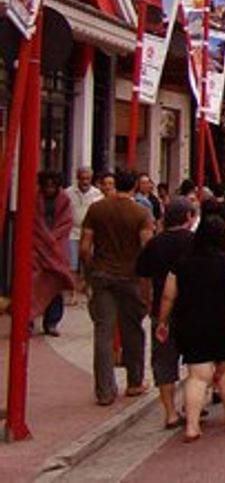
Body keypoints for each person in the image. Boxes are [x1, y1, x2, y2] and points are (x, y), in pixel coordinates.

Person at [156, 214, 225, 441]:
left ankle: (192, 426)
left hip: (191, 323)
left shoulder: (182, 263)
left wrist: (162, 321)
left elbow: (167, 296)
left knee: (197, 375)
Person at [80, 169, 154, 405]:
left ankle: (104, 390)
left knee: (103, 331)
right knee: (132, 329)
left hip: (102, 274)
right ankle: (134, 382)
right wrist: (146, 281)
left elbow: (84, 247)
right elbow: (146, 249)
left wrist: (90, 270)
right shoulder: (141, 213)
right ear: (134, 186)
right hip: (129, 276)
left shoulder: (96, 209)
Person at [136, 197, 198, 428]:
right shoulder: (196, 242)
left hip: (162, 311)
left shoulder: (155, 243)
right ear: (188, 218)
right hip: (192, 310)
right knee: (196, 360)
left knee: (164, 361)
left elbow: (143, 275)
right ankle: (192, 405)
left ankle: (170, 412)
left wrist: (146, 299)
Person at [33, 172, 75, 336]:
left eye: (53, 185)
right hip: (36, 246)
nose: (49, 189)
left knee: (56, 282)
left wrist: (53, 237)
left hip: (57, 246)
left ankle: (52, 322)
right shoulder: (35, 198)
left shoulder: (64, 199)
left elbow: (67, 221)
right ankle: (29, 318)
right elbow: (33, 220)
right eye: (46, 186)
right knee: (33, 283)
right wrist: (45, 236)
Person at [67, 167, 103, 282]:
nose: (85, 182)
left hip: (90, 233)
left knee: (88, 263)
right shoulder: (68, 193)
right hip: (72, 232)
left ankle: (86, 287)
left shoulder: (97, 194)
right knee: (72, 265)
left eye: (88, 179)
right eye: (82, 179)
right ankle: (73, 289)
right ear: (78, 179)